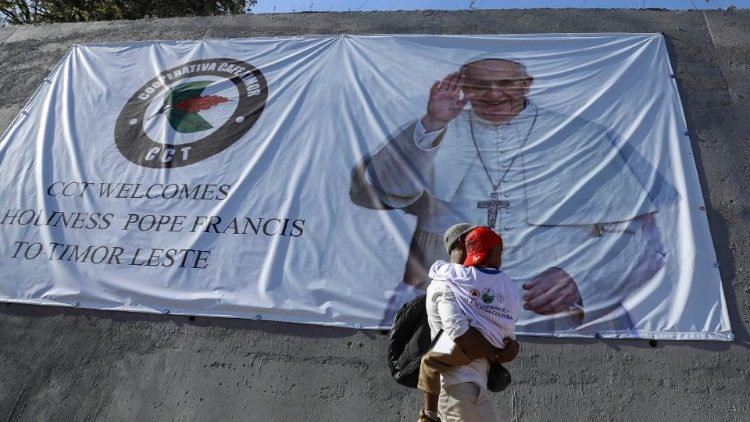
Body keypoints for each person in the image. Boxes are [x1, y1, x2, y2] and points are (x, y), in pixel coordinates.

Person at [350, 56, 679, 332]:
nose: (493, 95)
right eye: (480, 85)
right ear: (464, 86)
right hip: (447, 311)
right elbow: (386, 190)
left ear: (526, 83)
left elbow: (644, 240)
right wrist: (433, 122)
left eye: (505, 84)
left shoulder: (582, 137)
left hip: (553, 318)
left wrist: (582, 279)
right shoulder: (436, 127)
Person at [418, 225, 519, 422]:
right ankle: (428, 414)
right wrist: (495, 351)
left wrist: (511, 344)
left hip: (471, 387)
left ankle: (429, 414)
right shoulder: (445, 281)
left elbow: (496, 322)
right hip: (458, 387)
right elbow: (458, 331)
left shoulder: (470, 283)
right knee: (429, 362)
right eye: (471, 240)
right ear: (460, 243)